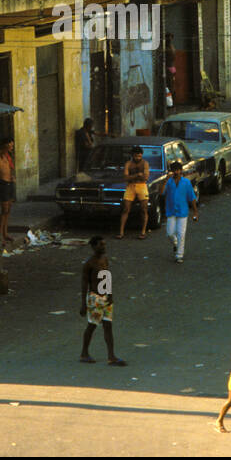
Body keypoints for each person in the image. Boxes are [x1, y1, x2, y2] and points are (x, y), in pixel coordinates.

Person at [79, 236, 125, 365]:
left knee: (108, 326)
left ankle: (111, 356)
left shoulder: (104, 259)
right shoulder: (89, 263)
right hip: (95, 297)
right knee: (92, 325)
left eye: (104, 245)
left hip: (105, 297)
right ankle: (84, 353)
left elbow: (107, 276)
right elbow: (84, 284)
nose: (103, 247)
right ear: (93, 247)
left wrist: (110, 294)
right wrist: (83, 303)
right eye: (101, 245)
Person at [159, 160, 199, 264]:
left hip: (182, 211)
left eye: (177, 170)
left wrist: (195, 212)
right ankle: (175, 243)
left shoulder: (186, 182)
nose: (176, 172)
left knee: (181, 233)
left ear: (181, 171)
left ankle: (179, 255)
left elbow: (192, 197)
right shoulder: (169, 182)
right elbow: (161, 192)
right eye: (174, 170)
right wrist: (165, 180)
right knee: (169, 233)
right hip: (171, 210)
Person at [117, 146, 151, 239]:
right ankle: (121, 232)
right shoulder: (128, 164)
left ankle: (143, 231)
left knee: (144, 209)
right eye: (136, 156)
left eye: (139, 156)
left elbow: (145, 177)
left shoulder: (145, 163)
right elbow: (125, 177)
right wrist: (137, 175)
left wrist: (133, 176)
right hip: (130, 186)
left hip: (142, 186)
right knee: (126, 209)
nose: (138, 158)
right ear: (132, 155)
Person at [0, 138, 16, 250]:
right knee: (4, 211)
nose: (11, 148)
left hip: (10, 184)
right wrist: (5, 147)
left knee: (8, 211)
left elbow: (8, 169)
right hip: (3, 185)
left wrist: (12, 177)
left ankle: (5, 234)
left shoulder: (7, 156)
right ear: (5, 146)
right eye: (10, 146)